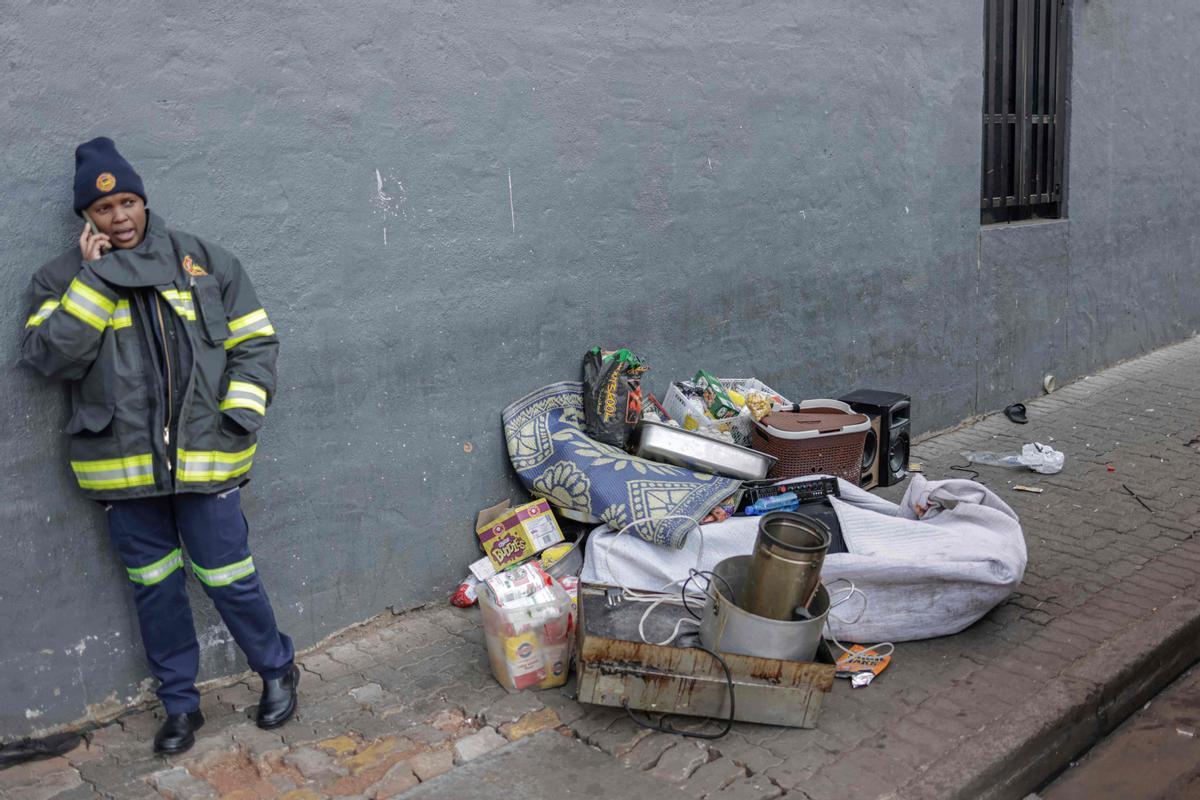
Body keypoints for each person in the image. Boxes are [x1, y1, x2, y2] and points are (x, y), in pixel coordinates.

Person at [20, 137, 298, 755]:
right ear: (84, 219)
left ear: (143, 200)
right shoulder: (60, 279)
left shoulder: (203, 261)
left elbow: (256, 343)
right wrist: (92, 284)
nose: (118, 218)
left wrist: (240, 415)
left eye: (127, 202)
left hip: (208, 460)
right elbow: (50, 360)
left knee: (230, 578)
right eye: (102, 210)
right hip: (122, 472)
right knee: (157, 591)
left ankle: (277, 670)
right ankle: (180, 705)